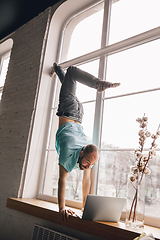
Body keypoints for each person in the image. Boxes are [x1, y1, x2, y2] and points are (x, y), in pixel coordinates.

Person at [50, 63, 120, 220]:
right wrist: (62, 208)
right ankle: (98, 83)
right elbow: (62, 181)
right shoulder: (68, 152)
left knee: (69, 80)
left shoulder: (87, 158)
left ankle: (57, 68)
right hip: (69, 110)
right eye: (88, 163)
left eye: (91, 165)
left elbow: (86, 181)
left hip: (77, 112)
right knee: (73, 72)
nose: (88, 166)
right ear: (82, 153)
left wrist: (84, 209)